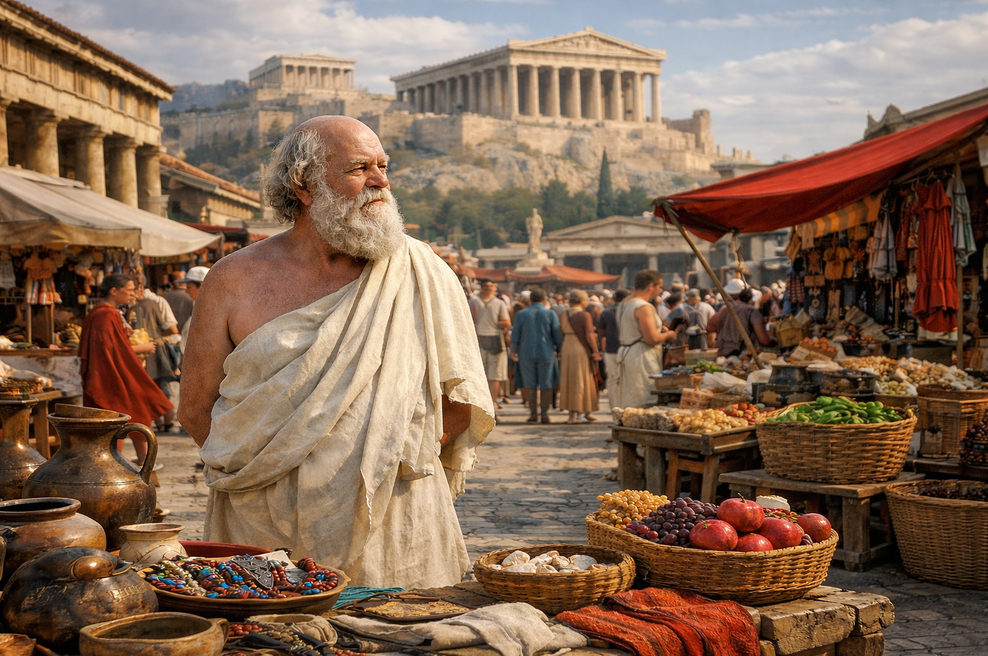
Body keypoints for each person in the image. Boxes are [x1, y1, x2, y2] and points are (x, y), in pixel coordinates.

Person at [179, 116, 494, 590]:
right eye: (359, 168)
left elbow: (462, 401)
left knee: (400, 624)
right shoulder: (233, 279)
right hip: (262, 526)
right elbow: (195, 408)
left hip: (390, 523)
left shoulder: (421, 271)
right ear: (303, 185)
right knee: (269, 630)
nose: (380, 181)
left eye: (383, 166)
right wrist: (271, 467)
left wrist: (383, 453)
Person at [79, 274, 173, 462]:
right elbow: (111, 349)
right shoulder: (107, 314)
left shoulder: (99, 313)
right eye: (129, 290)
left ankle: (142, 460)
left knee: (132, 413)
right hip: (111, 376)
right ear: (114, 291)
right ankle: (129, 462)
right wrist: (141, 348)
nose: (133, 294)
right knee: (124, 415)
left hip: (109, 372)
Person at [616, 270, 678, 409]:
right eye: (659, 286)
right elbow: (652, 338)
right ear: (651, 286)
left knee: (632, 397)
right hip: (642, 357)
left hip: (631, 354)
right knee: (643, 399)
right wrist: (669, 335)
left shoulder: (627, 303)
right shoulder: (644, 307)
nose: (660, 290)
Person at [132, 280, 181, 432]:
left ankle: (159, 421)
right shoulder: (152, 303)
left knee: (147, 388)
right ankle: (166, 421)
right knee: (161, 385)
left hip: (143, 350)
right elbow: (168, 327)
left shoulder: (133, 307)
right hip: (155, 347)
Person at [510, 288, 562, 423]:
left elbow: (515, 334)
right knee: (546, 382)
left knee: (529, 383)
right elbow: (556, 333)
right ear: (544, 299)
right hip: (546, 351)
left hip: (526, 352)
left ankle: (533, 413)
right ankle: (544, 413)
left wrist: (514, 350)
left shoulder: (521, 314)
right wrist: (559, 348)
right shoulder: (550, 313)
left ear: (530, 300)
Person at [559, 290, 602, 424]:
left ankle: (571, 415)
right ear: (583, 301)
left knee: (568, 380)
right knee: (581, 379)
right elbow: (589, 334)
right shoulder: (585, 315)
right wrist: (595, 351)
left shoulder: (563, 314)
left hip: (567, 345)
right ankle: (581, 411)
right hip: (580, 348)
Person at [469, 279, 511, 411]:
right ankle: (481, 404)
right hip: (478, 341)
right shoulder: (473, 302)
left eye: (490, 286)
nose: (487, 289)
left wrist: (494, 323)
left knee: (494, 376)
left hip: (495, 341)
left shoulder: (499, 303)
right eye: (485, 286)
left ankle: (492, 403)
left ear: (494, 288)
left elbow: (507, 322)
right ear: (481, 287)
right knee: (478, 375)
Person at [706, 279, 776, 357]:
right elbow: (764, 340)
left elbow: (710, 327)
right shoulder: (751, 311)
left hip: (722, 354)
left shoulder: (723, 310)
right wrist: (774, 342)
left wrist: (713, 344)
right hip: (744, 355)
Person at [598, 288, 630, 398]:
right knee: (627, 379)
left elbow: (600, 332)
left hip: (611, 349)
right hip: (628, 349)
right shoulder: (630, 310)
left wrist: (602, 348)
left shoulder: (606, 311)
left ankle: (614, 405)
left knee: (613, 379)